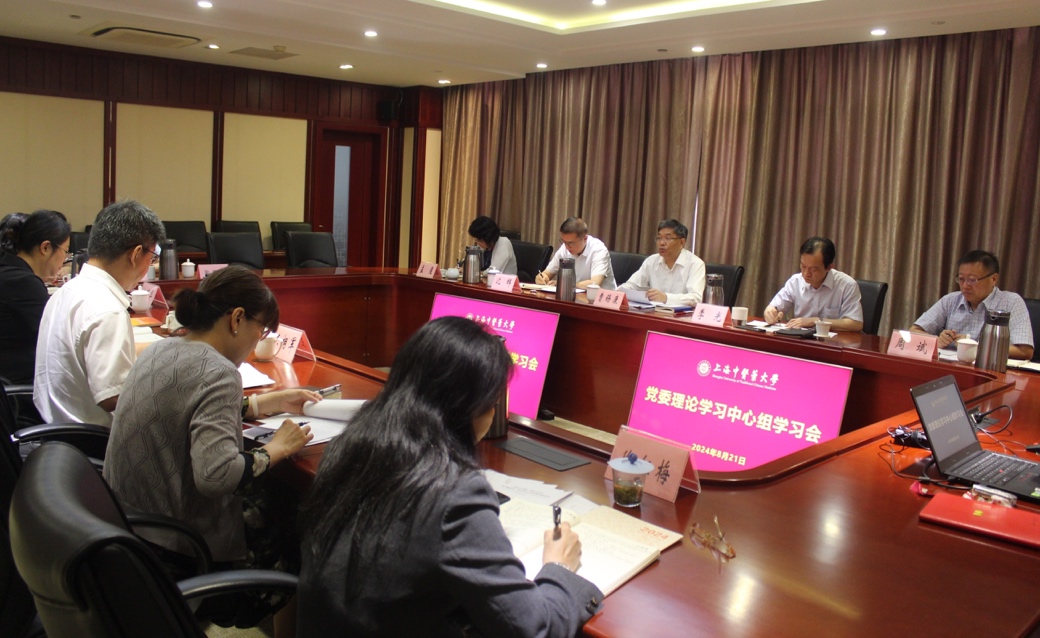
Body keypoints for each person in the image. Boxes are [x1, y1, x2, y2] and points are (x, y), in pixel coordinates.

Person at [297, 316, 602, 637]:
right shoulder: (454, 491)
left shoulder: (350, 445)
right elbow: (531, 627)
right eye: (493, 403)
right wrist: (559, 567)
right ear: (470, 408)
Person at [104, 265, 317, 632]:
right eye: (261, 331)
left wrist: (264, 403)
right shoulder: (219, 371)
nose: (258, 341)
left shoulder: (163, 347)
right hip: (179, 552)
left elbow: (183, 407)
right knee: (299, 522)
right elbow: (217, 476)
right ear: (237, 319)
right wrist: (278, 447)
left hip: (130, 529)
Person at [33, 199, 166, 427]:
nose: (149, 266)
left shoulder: (65, 291)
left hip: (54, 427)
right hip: (91, 438)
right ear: (136, 254)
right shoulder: (107, 309)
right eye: (152, 257)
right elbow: (112, 397)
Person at [912, 250, 1034, 360]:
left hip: (991, 370)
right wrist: (936, 341)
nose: (965, 286)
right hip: (952, 367)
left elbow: (1025, 351)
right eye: (961, 279)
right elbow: (914, 331)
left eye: (972, 280)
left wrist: (975, 347)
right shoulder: (950, 300)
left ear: (993, 279)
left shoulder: (1011, 302)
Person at [0, 210, 71, 385]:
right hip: (20, 385)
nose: (64, 259)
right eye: (65, 251)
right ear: (45, 248)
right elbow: (58, 337)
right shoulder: (23, 282)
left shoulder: (9, 269)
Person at [764, 236, 863, 332]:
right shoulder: (795, 281)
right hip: (800, 339)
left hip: (833, 341)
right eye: (803, 266)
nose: (806, 274)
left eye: (813, 269)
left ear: (829, 267)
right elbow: (773, 307)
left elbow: (856, 323)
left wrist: (817, 321)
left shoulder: (847, 285)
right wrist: (770, 313)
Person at [618, 219, 705, 306]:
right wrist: (616, 292)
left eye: (667, 238)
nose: (661, 243)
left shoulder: (695, 264)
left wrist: (666, 298)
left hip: (679, 314)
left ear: (681, 242)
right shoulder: (651, 261)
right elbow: (632, 285)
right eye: (659, 238)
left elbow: (695, 298)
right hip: (652, 312)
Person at [535, 216, 616, 289]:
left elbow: (594, 284)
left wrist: (563, 284)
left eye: (571, 243)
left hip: (601, 299)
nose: (567, 247)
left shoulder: (598, 250)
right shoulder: (565, 248)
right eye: (564, 242)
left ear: (585, 239)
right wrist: (541, 278)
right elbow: (547, 273)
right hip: (574, 296)